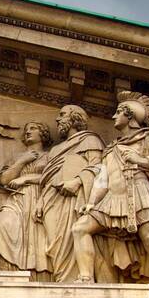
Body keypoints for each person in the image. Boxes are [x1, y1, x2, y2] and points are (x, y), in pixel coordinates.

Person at [73, 92, 149, 297]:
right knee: (80, 228)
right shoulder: (111, 149)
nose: (113, 117)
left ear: (130, 116)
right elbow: (103, 179)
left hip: (141, 193)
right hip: (112, 199)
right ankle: (85, 279)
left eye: (118, 112)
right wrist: (91, 202)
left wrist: (141, 160)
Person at [35, 105, 106, 281]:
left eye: (62, 115)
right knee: (55, 244)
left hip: (76, 197)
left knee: (72, 236)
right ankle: (63, 281)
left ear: (75, 118)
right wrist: (40, 200)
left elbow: (99, 168)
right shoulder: (55, 150)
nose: (57, 119)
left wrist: (77, 181)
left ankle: (77, 281)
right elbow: (46, 179)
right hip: (51, 197)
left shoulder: (91, 140)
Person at [0, 121, 51, 273]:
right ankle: (5, 274)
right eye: (26, 129)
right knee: (2, 225)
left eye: (33, 128)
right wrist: (23, 161)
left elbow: (54, 178)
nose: (28, 132)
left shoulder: (51, 156)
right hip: (17, 199)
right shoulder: (17, 157)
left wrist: (26, 178)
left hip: (41, 199)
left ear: (43, 134)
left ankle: (36, 275)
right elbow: (4, 180)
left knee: (39, 239)